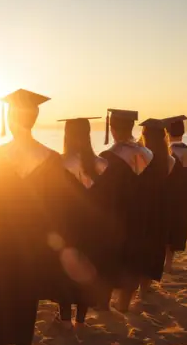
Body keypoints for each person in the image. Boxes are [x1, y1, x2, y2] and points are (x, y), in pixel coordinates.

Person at [0, 90, 93, 345]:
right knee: (26, 294)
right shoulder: (52, 159)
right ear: (34, 117)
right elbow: (59, 206)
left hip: (1, 237)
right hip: (34, 239)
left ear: (10, 118)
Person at [98, 108, 153, 312]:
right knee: (133, 257)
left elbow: (104, 191)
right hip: (141, 214)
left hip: (116, 215)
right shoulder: (148, 154)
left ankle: (104, 303)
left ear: (111, 128)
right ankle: (124, 304)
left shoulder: (109, 157)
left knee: (110, 257)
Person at [57, 117, 109, 327]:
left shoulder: (58, 162)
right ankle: (81, 318)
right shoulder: (102, 165)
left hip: (66, 222)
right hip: (92, 225)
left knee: (65, 267)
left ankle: (65, 317)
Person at [132, 118, 176, 300]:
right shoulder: (169, 160)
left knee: (138, 244)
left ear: (144, 135)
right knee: (153, 246)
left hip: (140, 204)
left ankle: (131, 286)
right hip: (159, 206)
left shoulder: (138, 157)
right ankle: (144, 288)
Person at [164, 115, 187, 272]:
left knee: (164, 230)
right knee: (176, 230)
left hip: (167, 199)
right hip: (185, 200)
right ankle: (169, 263)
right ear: (182, 132)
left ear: (167, 132)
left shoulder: (168, 155)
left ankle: (164, 264)